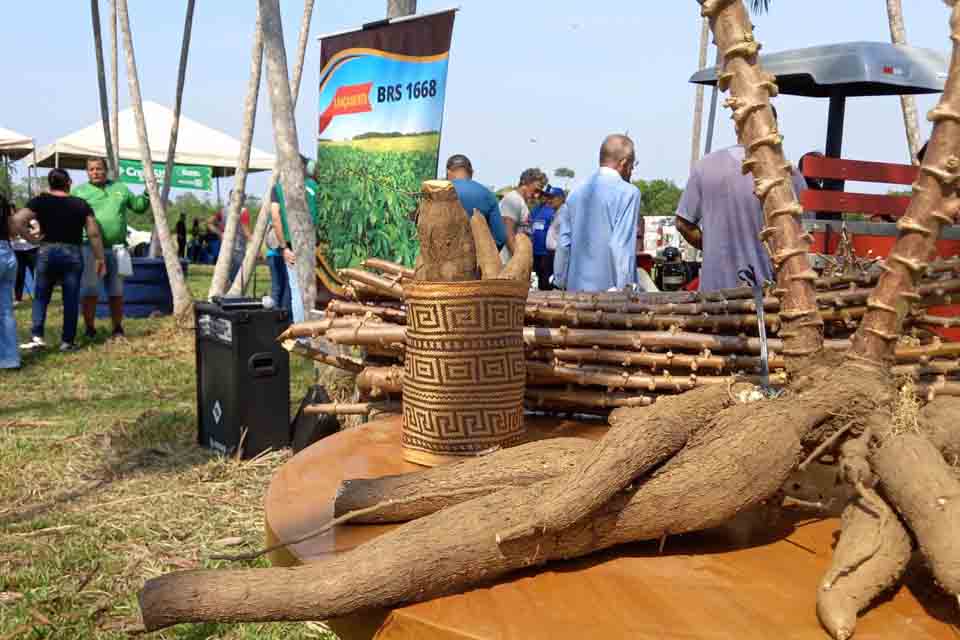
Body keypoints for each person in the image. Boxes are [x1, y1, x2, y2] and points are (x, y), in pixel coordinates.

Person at [675, 112, 807, 292]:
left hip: (714, 296)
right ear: (772, 127)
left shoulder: (706, 166)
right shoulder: (789, 173)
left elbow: (683, 224)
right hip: (767, 297)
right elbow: (799, 236)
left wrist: (714, 246)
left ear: (736, 125)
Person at [18, 170, 107, 352]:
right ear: (69, 182)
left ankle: (37, 337)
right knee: (71, 298)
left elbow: (17, 220)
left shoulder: (40, 201)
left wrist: (31, 239)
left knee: (41, 296)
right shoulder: (80, 204)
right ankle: (67, 341)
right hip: (72, 252)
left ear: (50, 183)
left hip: (47, 250)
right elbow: (94, 233)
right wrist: (100, 258)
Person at [73, 157, 150, 339]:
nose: (95, 172)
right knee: (90, 291)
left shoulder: (120, 188)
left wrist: (148, 192)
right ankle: (90, 328)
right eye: (91, 169)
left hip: (119, 250)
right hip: (89, 249)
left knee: (117, 291)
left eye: (99, 169)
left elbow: (139, 207)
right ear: (87, 172)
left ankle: (117, 328)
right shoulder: (79, 191)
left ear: (106, 170)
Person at [553, 135, 642, 292]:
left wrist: (560, 280)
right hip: (610, 296)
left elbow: (564, 243)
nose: (632, 170)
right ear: (624, 162)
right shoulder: (629, 193)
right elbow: (621, 245)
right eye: (632, 164)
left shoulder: (575, 192)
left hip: (576, 294)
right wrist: (627, 289)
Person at [271, 157, 320, 323]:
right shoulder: (315, 188)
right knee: (314, 291)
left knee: (297, 292)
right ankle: (316, 331)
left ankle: (302, 335)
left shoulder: (278, 189)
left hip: (292, 247)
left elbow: (275, 217)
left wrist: (284, 247)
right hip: (315, 247)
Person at [1, 193, 43, 368]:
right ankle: (10, 359)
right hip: (8, 254)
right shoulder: (3, 203)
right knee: (5, 311)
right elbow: (14, 227)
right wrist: (33, 239)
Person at [445, 154, 507, 248]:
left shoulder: (435, 194)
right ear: (472, 172)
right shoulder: (488, 195)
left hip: (440, 259)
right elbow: (500, 238)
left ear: (448, 172)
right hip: (475, 259)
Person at [499, 168, 547, 263]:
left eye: (540, 192)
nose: (537, 195)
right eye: (536, 189)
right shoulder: (513, 200)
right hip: (507, 262)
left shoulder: (522, 202)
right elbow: (508, 233)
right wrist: (519, 261)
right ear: (525, 182)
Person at [208, 194, 252, 283]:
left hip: (225, 248)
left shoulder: (224, 211)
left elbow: (209, 222)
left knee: (225, 275)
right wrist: (255, 244)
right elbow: (246, 232)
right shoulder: (243, 211)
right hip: (238, 249)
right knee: (236, 278)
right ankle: (232, 295)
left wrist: (220, 234)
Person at [531, 186, 565, 290]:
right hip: (543, 254)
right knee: (542, 284)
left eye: (552, 197)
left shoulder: (563, 213)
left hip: (554, 254)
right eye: (548, 196)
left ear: (561, 198)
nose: (549, 199)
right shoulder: (552, 212)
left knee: (549, 285)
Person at [13, 233, 37, 303]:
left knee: (37, 273)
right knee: (19, 274)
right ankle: (18, 298)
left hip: (32, 248)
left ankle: (40, 297)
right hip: (17, 250)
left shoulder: (32, 222)